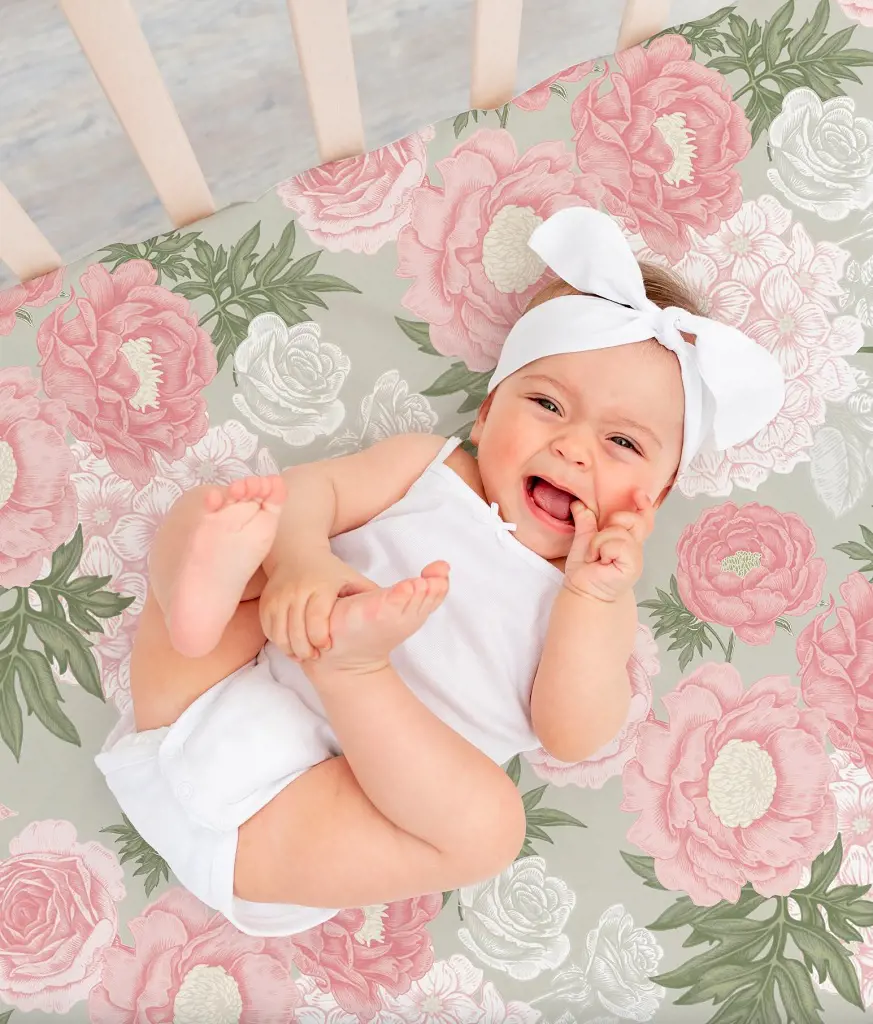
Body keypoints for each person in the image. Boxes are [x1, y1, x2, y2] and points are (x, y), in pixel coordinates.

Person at [95, 207, 784, 937]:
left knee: (490, 829)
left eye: (620, 442)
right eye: (546, 404)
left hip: (294, 826)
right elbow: (311, 496)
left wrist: (588, 594)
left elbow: (572, 734)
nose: (574, 447)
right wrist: (299, 559)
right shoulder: (426, 466)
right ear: (486, 415)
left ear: (654, 498)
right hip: (200, 700)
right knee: (228, 512)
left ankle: (354, 673)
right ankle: (197, 607)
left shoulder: (595, 594)